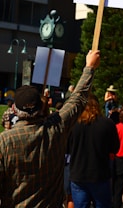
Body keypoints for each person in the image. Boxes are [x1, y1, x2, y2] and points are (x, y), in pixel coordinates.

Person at [0, 49, 100, 207]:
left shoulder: (4, 141)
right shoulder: (56, 127)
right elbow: (78, 99)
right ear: (41, 107)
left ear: (14, 110)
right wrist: (89, 67)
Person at [69, 93, 120, 208]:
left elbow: (67, 148)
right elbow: (115, 148)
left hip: (78, 174)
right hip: (100, 173)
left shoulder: (73, 125)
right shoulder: (107, 124)